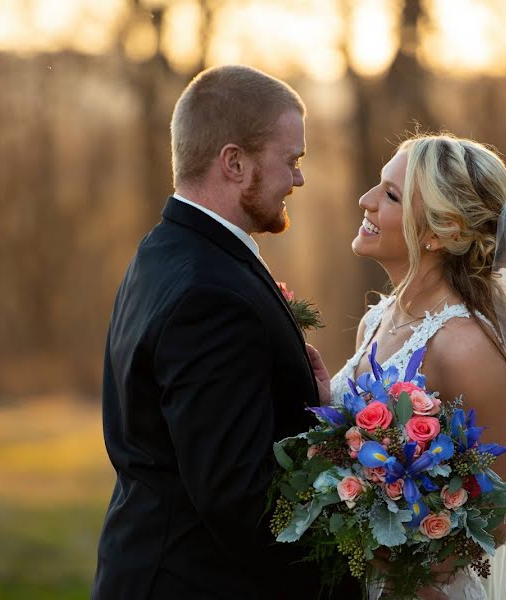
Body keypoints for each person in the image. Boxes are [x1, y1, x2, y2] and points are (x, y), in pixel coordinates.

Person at [91, 65, 355, 599]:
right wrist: (346, 578)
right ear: (234, 162)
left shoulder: (165, 250)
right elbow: (238, 497)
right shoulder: (209, 295)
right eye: (291, 160)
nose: (298, 179)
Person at [316, 133, 506, 599]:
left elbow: (498, 515)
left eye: (391, 196)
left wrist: (395, 564)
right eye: (379, 186)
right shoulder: (378, 317)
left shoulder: (463, 346)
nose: (366, 200)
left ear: (438, 232)